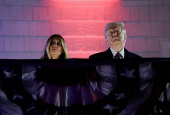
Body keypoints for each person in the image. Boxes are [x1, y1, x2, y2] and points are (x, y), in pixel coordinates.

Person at [88, 22, 143, 115]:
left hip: (130, 109)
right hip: (104, 109)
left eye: (117, 31)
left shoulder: (138, 60)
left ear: (125, 37)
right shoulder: (94, 60)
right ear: (106, 40)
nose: (114, 34)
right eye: (111, 32)